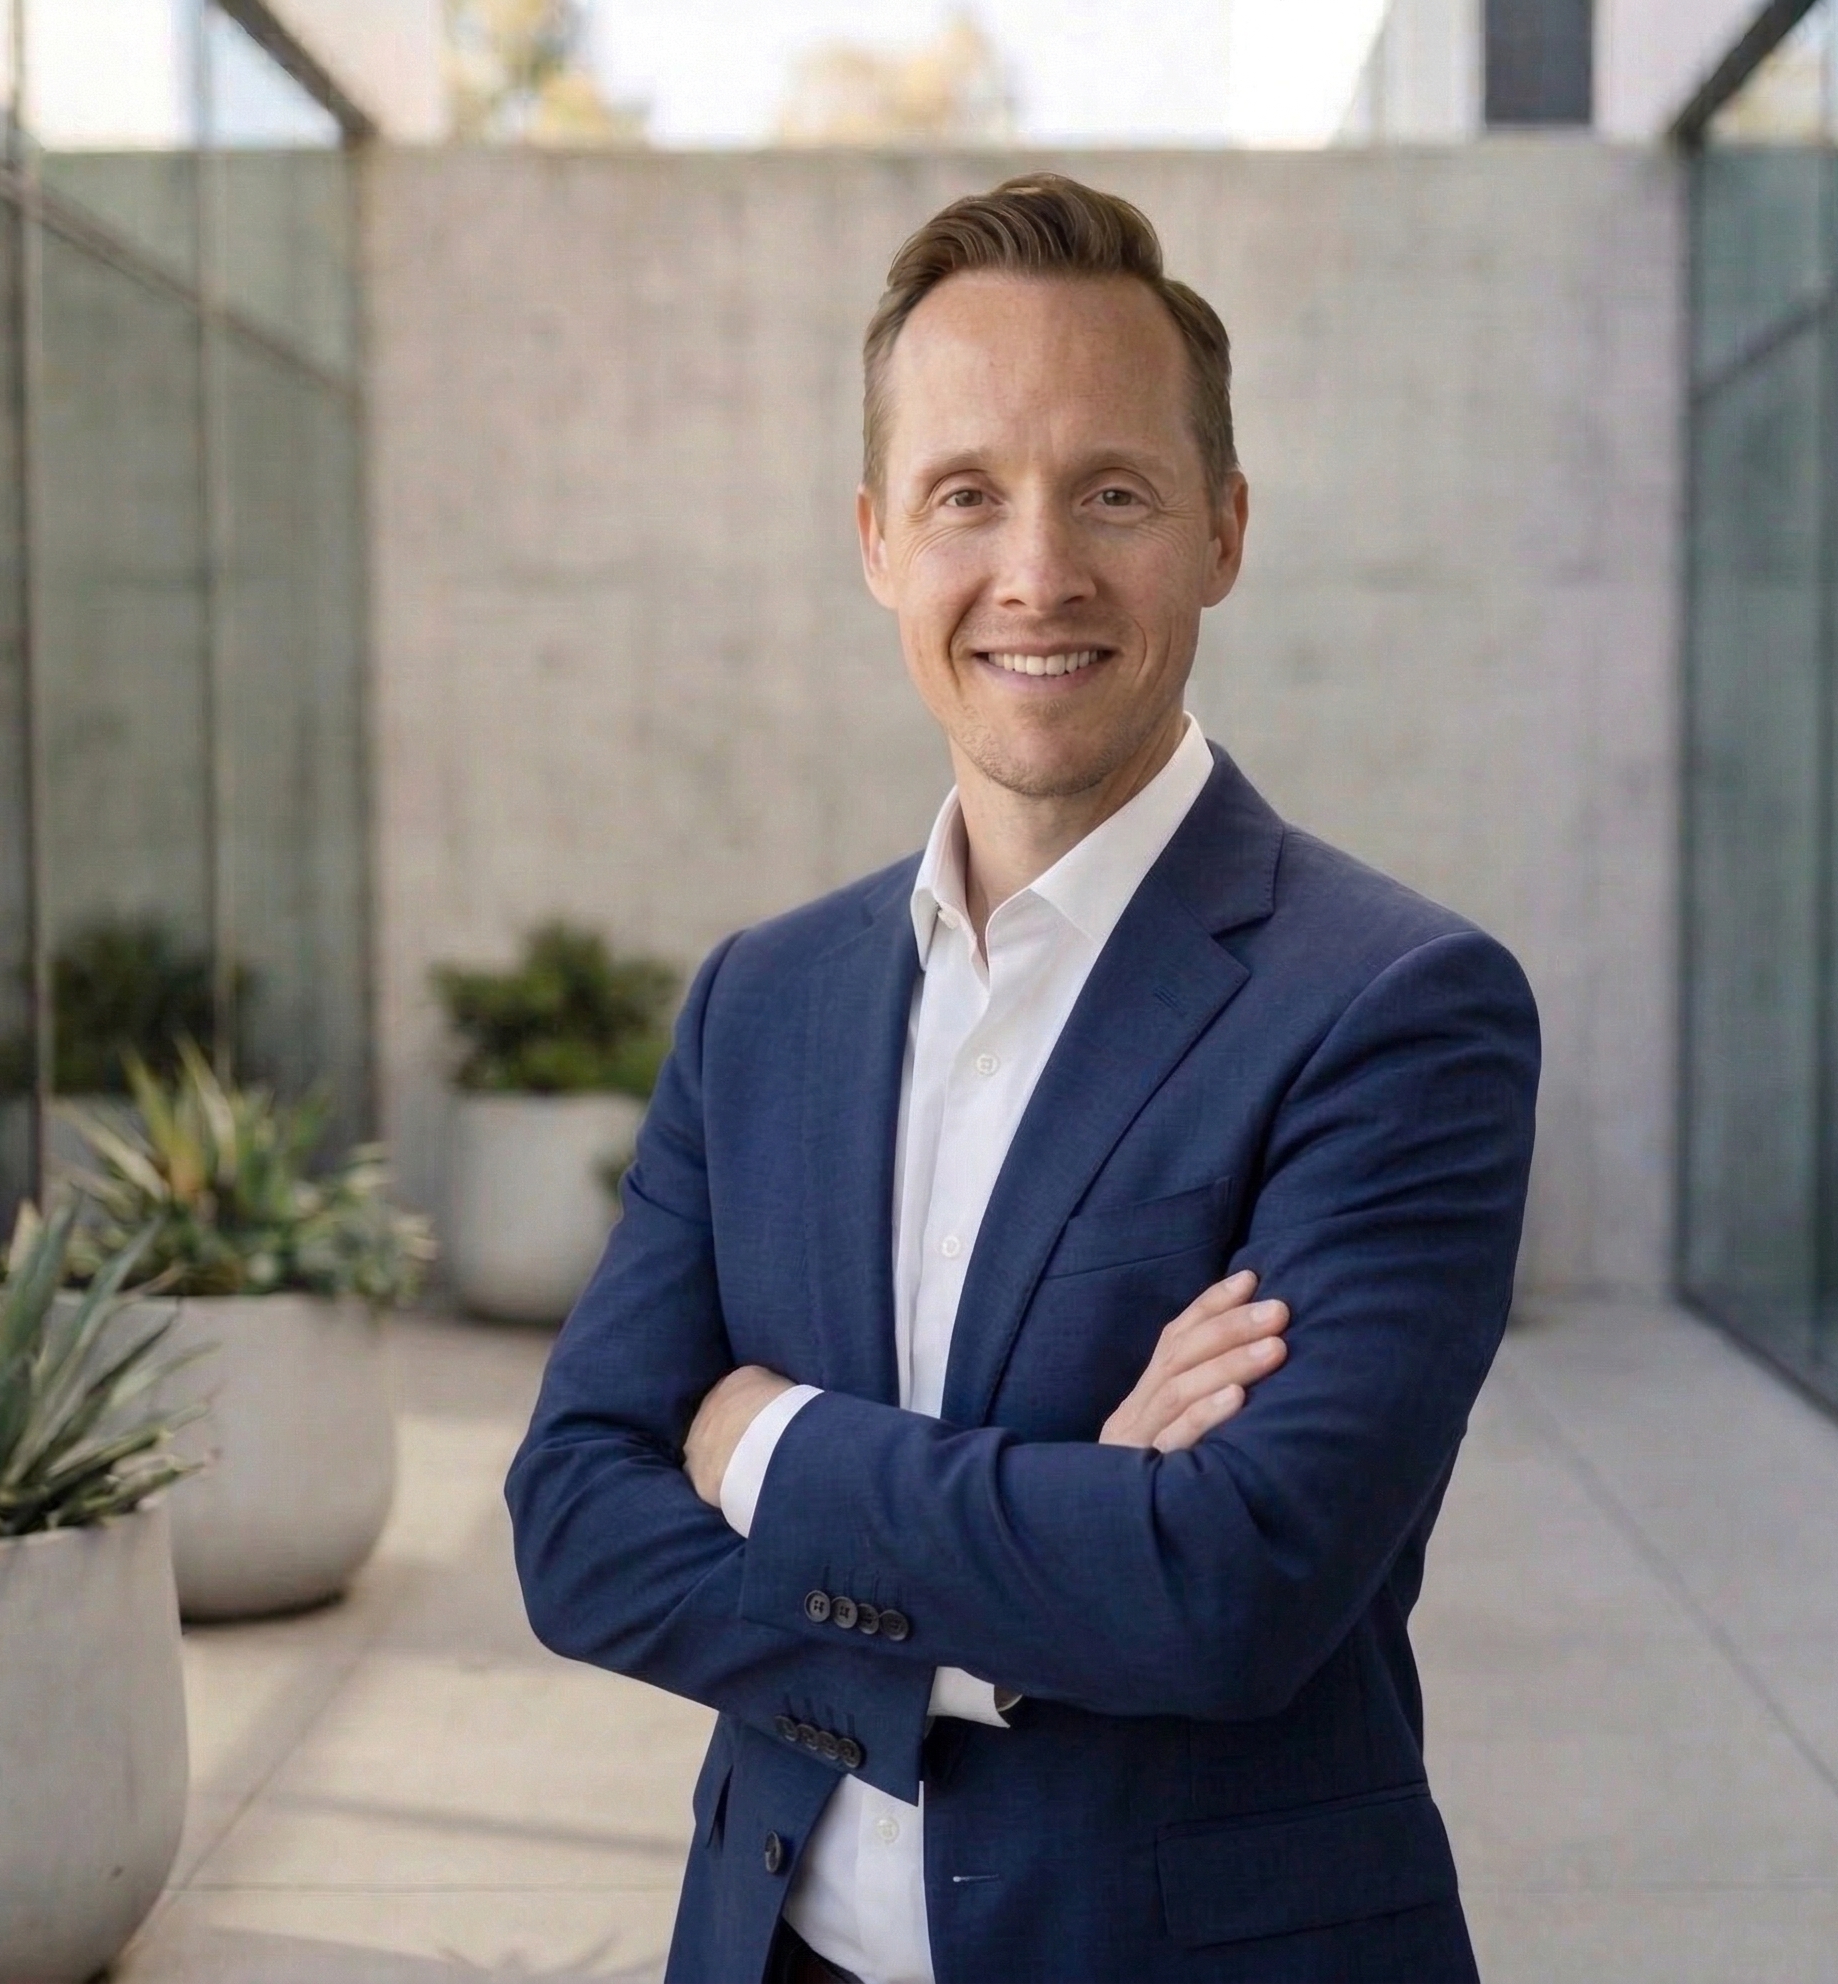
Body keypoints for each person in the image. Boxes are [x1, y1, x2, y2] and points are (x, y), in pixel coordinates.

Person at [506, 172, 1539, 1984]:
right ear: (876, 541)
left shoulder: (1396, 1008)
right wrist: (1040, 1567)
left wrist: (765, 1444)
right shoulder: (764, 1002)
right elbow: (577, 1522)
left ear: (1223, 531)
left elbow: (1227, 1589)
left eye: (1112, 493)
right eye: (966, 494)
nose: (1038, 574)